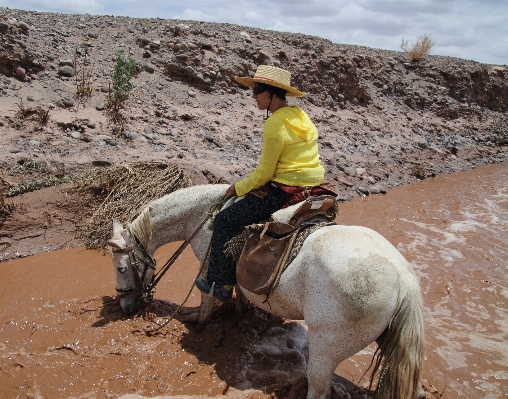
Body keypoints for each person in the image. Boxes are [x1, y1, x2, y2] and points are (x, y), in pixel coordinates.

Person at [195, 65, 331, 302]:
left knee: (225, 220)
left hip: (285, 192)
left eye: (257, 90)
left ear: (272, 93)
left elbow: (264, 174)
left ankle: (223, 285)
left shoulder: (275, 124)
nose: (253, 96)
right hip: (313, 187)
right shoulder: (301, 116)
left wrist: (237, 187)